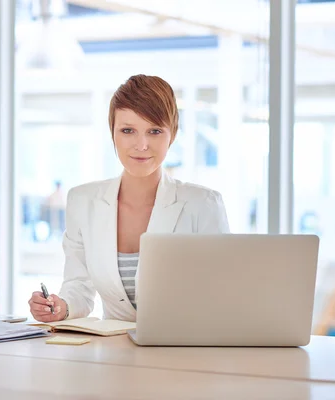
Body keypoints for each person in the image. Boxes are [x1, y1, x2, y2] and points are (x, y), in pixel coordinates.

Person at [28, 74, 230, 323]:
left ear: (173, 134)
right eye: (128, 130)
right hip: (111, 351)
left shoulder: (204, 204)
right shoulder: (83, 201)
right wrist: (61, 307)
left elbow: (221, 296)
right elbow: (78, 287)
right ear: (113, 133)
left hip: (182, 350)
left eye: (154, 131)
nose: (141, 144)